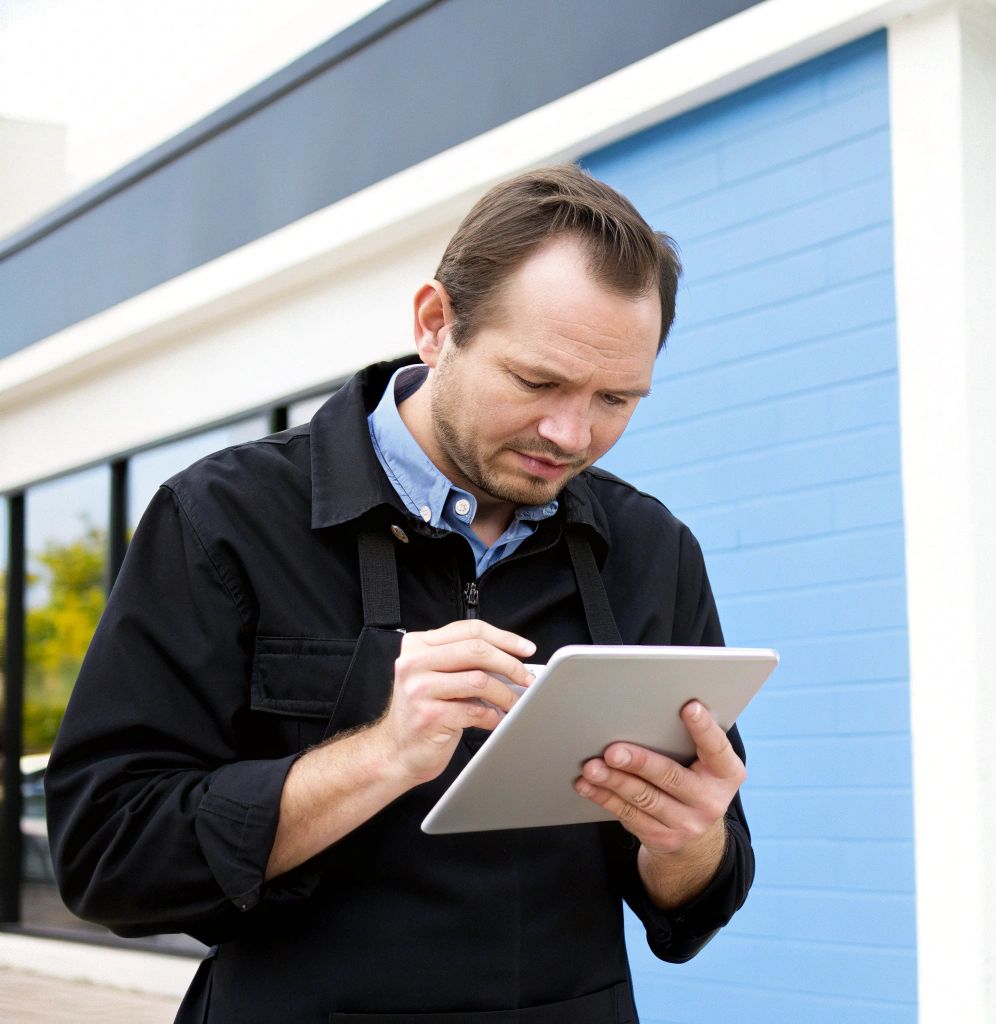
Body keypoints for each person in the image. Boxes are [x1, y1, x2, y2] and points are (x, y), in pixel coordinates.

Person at [46, 165, 754, 1023]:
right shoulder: (223, 520)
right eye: (537, 383)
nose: (572, 434)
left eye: (616, 399)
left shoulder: (652, 551)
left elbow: (695, 899)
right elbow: (107, 857)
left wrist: (691, 837)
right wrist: (379, 754)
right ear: (435, 324)